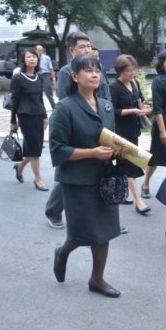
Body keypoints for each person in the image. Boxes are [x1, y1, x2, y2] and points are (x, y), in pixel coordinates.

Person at [49, 54, 122, 298]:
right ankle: (63, 252)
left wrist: (124, 152)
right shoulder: (65, 108)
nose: (94, 74)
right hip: (77, 180)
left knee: (105, 229)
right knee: (82, 233)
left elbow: (111, 137)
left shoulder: (106, 104)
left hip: (105, 176)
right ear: (74, 76)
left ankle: (97, 279)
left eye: (97, 70)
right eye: (88, 70)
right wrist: (91, 152)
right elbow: (58, 150)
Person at [46, 32, 127, 233]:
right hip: (80, 126)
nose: (86, 50)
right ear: (72, 50)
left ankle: (109, 222)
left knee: (98, 174)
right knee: (70, 176)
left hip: (100, 122)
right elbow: (66, 99)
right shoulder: (68, 72)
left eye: (89, 46)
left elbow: (105, 93)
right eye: (81, 47)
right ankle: (53, 211)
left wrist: (106, 111)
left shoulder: (96, 69)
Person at [109, 54, 152, 215]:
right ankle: (138, 201)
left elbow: (140, 101)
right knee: (128, 165)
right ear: (120, 71)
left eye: (133, 70)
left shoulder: (134, 84)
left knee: (124, 166)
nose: (131, 73)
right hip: (121, 133)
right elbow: (112, 111)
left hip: (134, 130)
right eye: (128, 71)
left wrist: (144, 109)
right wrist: (132, 110)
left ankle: (118, 192)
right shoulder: (114, 88)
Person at [140, 49, 166, 198]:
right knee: (156, 158)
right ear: (162, 64)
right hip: (163, 125)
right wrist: (162, 131)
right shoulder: (158, 81)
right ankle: (145, 184)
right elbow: (158, 108)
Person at [9, 48, 49, 191]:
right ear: (24, 60)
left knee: (35, 147)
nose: (32, 59)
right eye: (29, 57)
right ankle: (38, 179)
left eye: (34, 57)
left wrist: (45, 116)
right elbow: (14, 101)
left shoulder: (39, 77)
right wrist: (13, 121)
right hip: (25, 116)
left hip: (38, 115)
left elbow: (40, 98)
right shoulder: (18, 78)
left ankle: (19, 167)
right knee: (34, 149)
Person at [35, 44, 56, 109]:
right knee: (37, 93)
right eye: (39, 50)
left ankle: (54, 108)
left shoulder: (47, 58)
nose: (40, 51)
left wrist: (53, 79)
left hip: (45, 75)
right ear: (35, 50)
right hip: (36, 75)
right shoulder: (33, 58)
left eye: (42, 50)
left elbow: (51, 69)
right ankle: (41, 109)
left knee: (48, 93)